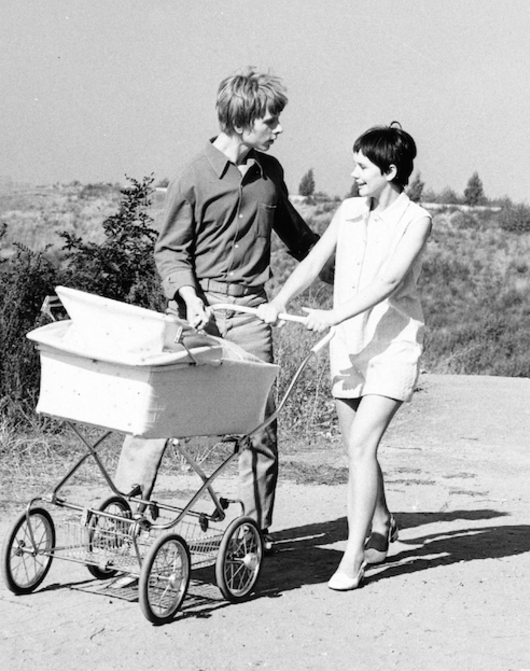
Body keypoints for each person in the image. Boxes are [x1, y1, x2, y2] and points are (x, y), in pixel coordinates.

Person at [112, 67, 323, 551]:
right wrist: (188, 295)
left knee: (259, 429)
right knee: (153, 417)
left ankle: (251, 534)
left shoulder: (271, 174)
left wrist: (352, 271)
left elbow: (299, 237)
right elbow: (169, 250)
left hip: (250, 316)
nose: (279, 128)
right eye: (272, 119)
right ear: (243, 119)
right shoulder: (193, 174)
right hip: (195, 314)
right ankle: (125, 518)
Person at [258, 122, 432, 591]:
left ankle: (352, 557)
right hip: (347, 344)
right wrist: (280, 301)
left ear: (389, 171)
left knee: (361, 447)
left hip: (392, 346)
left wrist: (332, 314)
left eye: (362, 166)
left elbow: (389, 283)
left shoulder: (416, 220)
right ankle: (383, 521)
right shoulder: (350, 210)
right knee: (355, 448)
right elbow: (314, 260)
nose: (354, 173)